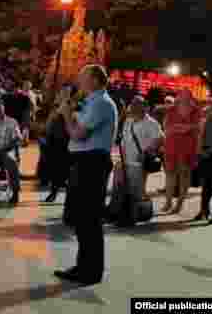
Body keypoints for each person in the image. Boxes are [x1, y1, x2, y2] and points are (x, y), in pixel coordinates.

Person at [55, 64, 118, 286]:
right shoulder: (91, 102)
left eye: (82, 77)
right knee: (82, 219)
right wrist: (68, 109)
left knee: (89, 219)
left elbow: (78, 134)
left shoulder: (100, 103)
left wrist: (67, 115)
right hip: (84, 162)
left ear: (95, 80)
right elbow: (75, 128)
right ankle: (83, 266)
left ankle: (91, 271)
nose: (78, 81)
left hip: (92, 163)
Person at [111, 96, 162, 227]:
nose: (133, 107)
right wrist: (121, 159)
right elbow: (123, 140)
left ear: (143, 107)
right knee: (119, 188)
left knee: (134, 191)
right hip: (125, 160)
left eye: (137, 105)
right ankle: (116, 213)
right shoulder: (128, 121)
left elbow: (160, 138)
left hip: (138, 163)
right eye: (133, 105)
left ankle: (130, 217)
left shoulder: (151, 123)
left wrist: (147, 151)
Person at [162, 89, 203, 215]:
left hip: (188, 147)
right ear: (178, 97)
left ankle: (179, 203)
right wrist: (185, 128)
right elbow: (166, 127)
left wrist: (181, 128)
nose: (184, 98)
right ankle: (168, 201)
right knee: (170, 174)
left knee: (184, 175)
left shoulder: (196, 111)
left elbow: (198, 128)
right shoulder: (171, 110)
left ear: (190, 98)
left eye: (187, 96)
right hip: (172, 145)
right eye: (182, 95)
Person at [42, 85, 73, 203]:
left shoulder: (73, 106)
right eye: (63, 92)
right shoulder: (55, 107)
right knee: (55, 168)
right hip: (54, 140)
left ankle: (62, 193)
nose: (64, 94)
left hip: (68, 141)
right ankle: (54, 192)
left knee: (66, 169)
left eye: (67, 92)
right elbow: (49, 123)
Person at [196, 96, 212, 224]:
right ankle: (204, 210)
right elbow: (201, 134)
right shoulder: (209, 118)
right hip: (207, 154)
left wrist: (209, 150)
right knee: (206, 184)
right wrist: (200, 151)